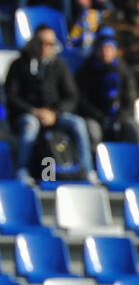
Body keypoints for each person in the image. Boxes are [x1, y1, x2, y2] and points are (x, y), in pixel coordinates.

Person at [5, 26, 95, 179]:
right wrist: (34, 111)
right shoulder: (18, 65)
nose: (45, 47)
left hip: (54, 115)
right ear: (33, 42)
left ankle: (87, 171)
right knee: (30, 125)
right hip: (27, 114)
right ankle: (22, 170)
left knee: (78, 123)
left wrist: (55, 113)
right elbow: (11, 97)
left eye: (49, 44)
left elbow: (72, 96)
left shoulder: (59, 65)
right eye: (41, 42)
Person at [74, 31, 139, 147]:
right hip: (95, 116)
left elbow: (130, 98)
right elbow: (82, 101)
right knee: (93, 131)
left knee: (134, 131)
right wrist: (101, 117)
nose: (106, 52)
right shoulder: (85, 71)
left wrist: (119, 117)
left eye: (109, 49)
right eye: (103, 48)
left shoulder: (123, 70)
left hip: (119, 115)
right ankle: (95, 162)